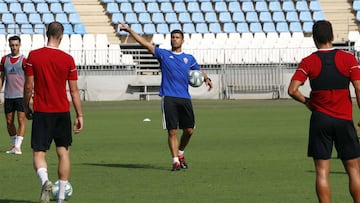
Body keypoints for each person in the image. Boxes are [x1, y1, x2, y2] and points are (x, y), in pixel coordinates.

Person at [119, 23, 213, 171]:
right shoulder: (163, 54)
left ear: (182, 40)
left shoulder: (189, 58)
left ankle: (180, 153)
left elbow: (199, 70)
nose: (174, 40)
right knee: (172, 131)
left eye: (177, 37)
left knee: (189, 130)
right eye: (173, 37)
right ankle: (175, 160)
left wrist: (207, 79)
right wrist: (130, 30)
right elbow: (144, 43)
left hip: (184, 98)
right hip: (169, 97)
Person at [288, 20, 360, 203]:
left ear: (314, 39)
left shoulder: (308, 62)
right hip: (344, 120)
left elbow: (292, 90)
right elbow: (359, 89)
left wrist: (307, 102)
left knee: (321, 171)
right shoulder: (349, 59)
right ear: (332, 36)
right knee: (353, 170)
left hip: (320, 120)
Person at [23, 22, 83, 203]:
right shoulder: (68, 59)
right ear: (62, 36)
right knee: (63, 153)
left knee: (39, 153)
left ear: (46, 33)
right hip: (62, 111)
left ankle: (46, 181)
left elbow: (28, 86)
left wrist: (26, 105)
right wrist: (79, 115)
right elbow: (74, 91)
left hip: (42, 110)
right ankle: (61, 197)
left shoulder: (34, 56)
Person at [0, 35, 27, 155]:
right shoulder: (4, 59)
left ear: (20, 45)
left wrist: (30, 94)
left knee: (21, 120)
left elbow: (29, 78)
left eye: (16, 45)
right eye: (12, 45)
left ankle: (18, 146)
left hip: (21, 95)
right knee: (9, 121)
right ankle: (14, 144)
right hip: (8, 95)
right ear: (9, 45)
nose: (14, 47)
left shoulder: (24, 60)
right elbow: (1, 77)